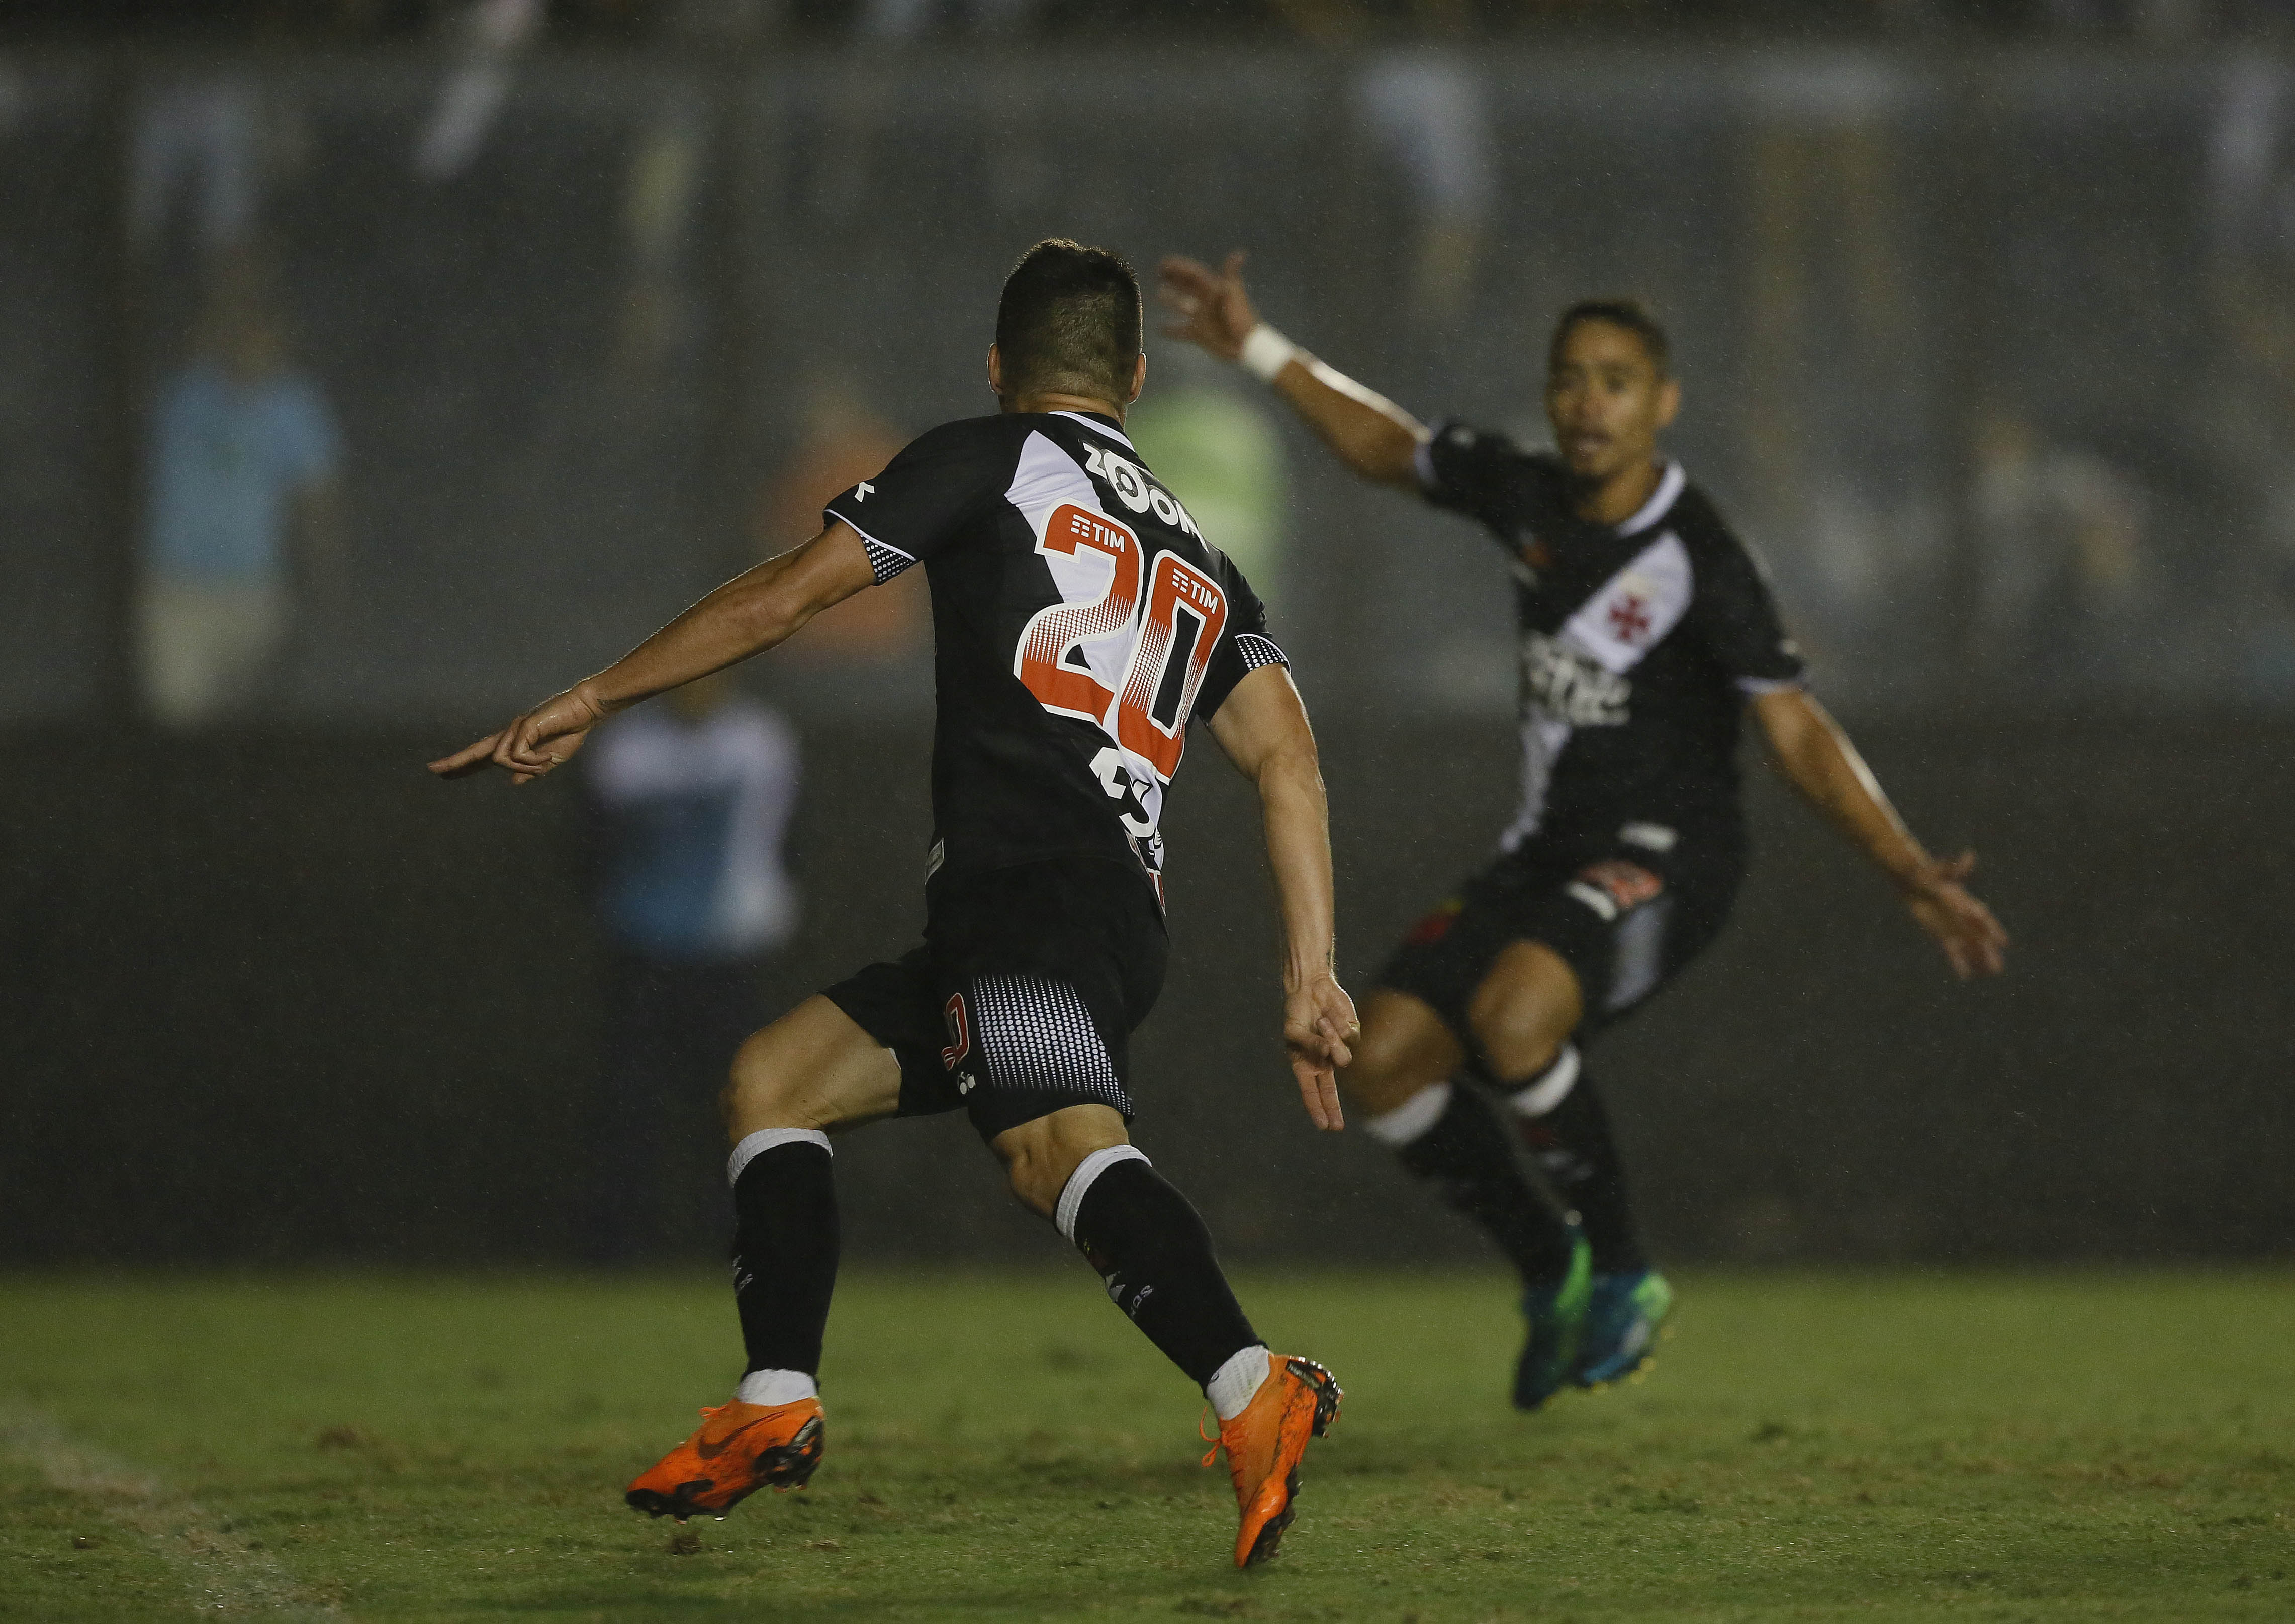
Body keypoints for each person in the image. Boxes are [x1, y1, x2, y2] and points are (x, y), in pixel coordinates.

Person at [433, 240, 1360, 1568]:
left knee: (1051, 1146)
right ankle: (773, 1398)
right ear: (1137, 378)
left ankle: (1248, 1382)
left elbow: (784, 599)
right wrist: (1308, 969)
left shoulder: (988, 458)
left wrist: (595, 694)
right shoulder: (1197, 548)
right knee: (773, 1081)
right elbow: (1287, 758)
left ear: (995, 366)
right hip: (1093, 907)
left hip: (1027, 889)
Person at [1158, 251, 2008, 1409]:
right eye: (1569, 378)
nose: (1587, 402)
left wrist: (1902, 863)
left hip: (1670, 854)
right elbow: (1391, 446)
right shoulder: (1529, 495)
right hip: (1547, 851)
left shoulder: (1697, 554)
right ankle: (1546, 1263)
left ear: (1663, 401)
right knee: (1383, 1056)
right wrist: (1260, 347)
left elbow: (1796, 729)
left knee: (1513, 1016)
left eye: (1615, 380)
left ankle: (1621, 1271)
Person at [584, 671, 801, 1263]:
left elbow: (785, 838)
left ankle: (738, 1232)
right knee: (630, 1102)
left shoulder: (757, 741)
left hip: (731, 954)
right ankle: (618, 1242)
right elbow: (592, 846)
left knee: (740, 1099)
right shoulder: (627, 750)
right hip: (644, 951)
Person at [140, 291, 342, 727]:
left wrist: (324, 578)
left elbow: (316, 502)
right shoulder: (183, 397)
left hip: (255, 586)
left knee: (248, 723)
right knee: (177, 718)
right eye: (238, 332)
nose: (249, 344)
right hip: (178, 586)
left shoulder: (294, 407)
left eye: (261, 333)